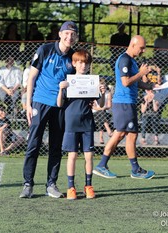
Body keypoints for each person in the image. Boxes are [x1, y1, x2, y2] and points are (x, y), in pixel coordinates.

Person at [19, 21, 78, 199]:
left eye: (73, 34)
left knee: (56, 147)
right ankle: (28, 184)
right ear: (60, 34)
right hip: (40, 103)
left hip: (60, 106)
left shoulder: (74, 57)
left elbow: (78, 83)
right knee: (33, 144)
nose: (69, 37)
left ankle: (51, 184)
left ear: (76, 37)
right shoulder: (44, 50)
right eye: (66, 33)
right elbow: (31, 78)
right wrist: (28, 104)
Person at [93, 35, 156, 180]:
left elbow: (134, 82)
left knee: (129, 134)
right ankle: (106, 165)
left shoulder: (132, 61)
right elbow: (126, 82)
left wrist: (149, 86)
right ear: (133, 45)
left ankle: (132, 168)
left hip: (128, 103)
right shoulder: (125, 59)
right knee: (121, 134)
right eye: (141, 47)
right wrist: (141, 73)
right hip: (124, 103)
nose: (143, 50)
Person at [56, 49, 96, 200]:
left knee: (89, 155)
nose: (83, 66)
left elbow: (101, 103)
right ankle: (71, 187)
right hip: (71, 122)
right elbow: (59, 103)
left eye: (86, 63)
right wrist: (61, 89)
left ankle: (88, 186)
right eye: (79, 62)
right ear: (74, 63)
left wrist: (103, 92)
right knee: (72, 155)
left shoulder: (92, 82)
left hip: (87, 123)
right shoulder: (68, 81)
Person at [92, 79, 113, 144]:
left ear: (106, 86)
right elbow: (93, 107)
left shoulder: (108, 93)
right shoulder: (95, 94)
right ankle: (108, 130)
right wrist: (101, 109)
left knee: (101, 114)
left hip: (106, 112)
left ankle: (101, 137)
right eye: (100, 87)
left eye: (103, 87)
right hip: (96, 112)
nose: (102, 89)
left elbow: (109, 106)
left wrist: (103, 108)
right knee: (101, 113)